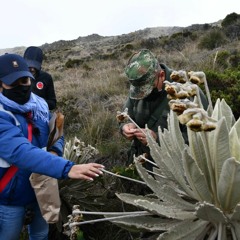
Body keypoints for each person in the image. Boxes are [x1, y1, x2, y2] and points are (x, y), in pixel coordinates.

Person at [0, 53, 104, 240]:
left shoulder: (38, 105)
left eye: (24, 80)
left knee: (40, 235)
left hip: (41, 188)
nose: (21, 87)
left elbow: (55, 132)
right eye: (13, 82)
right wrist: (66, 168)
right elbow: (20, 152)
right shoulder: (2, 115)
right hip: (11, 198)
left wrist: (55, 151)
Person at [119, 49, 208, 167]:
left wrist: (157, 139)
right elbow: (125, 116)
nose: (143, 95)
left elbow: (201, 138)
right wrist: (124, 127)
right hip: (143, 164)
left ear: (161, 75)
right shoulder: (139, 88)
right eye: (139, 91)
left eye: (147, 89)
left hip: (175, 170)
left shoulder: (188, 92)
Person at [23, 46, 57, 110]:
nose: (32, 69)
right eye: (30, 66)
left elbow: (53, 103)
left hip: (41, 115)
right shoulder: (18, 77)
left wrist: (38, 102)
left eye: (35, 66)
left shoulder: (46, 77)